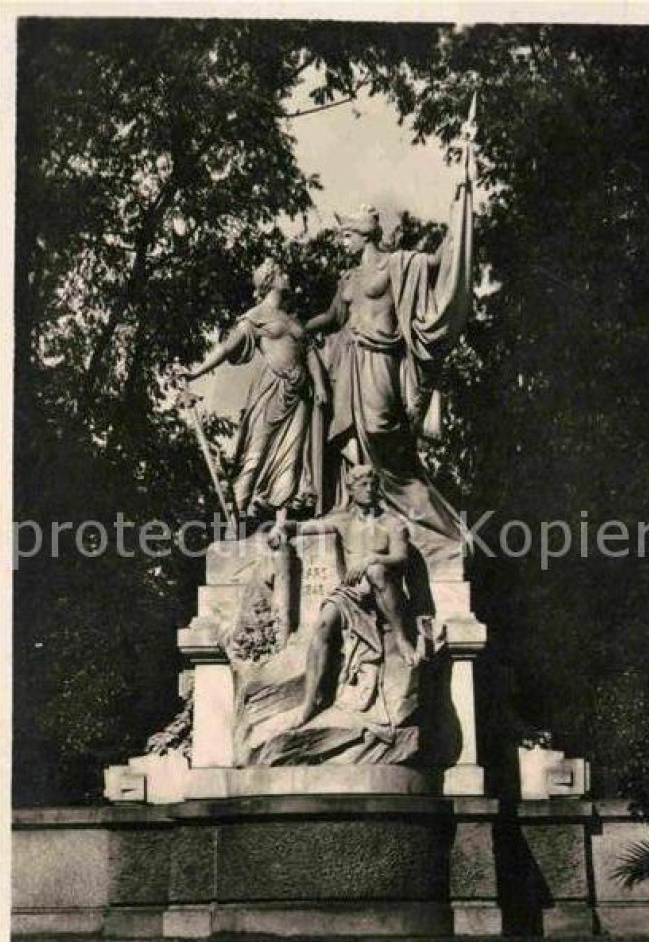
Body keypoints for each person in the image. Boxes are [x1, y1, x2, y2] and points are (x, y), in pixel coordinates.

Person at [304, 146, 476, 571]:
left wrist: (460, 205)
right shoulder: (347, 277)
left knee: (384, 438)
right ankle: (358, 510)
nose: (342, 237)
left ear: (366, 232)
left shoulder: (399, 263)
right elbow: (332, 316)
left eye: (348, 231)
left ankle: (446, 528)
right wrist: (299, 330)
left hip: (382, 361)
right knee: (351, 444)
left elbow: (439, 262)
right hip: (349, 364)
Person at [268, 464, 416, 727]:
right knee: (324, 623)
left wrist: (371, 558)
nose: (369, 489)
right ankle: (310, 703)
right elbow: (302, 527)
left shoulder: (392, 523)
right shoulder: (342, 521)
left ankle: (402, 639)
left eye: (373, 485)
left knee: (377, 570)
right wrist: (280, 527)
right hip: (352, 594)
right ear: (351, 490)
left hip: (386, 592)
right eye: (362, 485)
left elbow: (402, 558)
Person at [179, 258, 328, 516]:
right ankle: (236, 511)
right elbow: (227, 348)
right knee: (256, 452)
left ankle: (281, 521)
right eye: (282, 272)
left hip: (300, 394)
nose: (287, 276)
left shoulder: (292, 318)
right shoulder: (255, 316)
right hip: (272, 390)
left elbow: (310, 351)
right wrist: (195, 372)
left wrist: (321, 385)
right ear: (270, 281)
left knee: (291, 457)